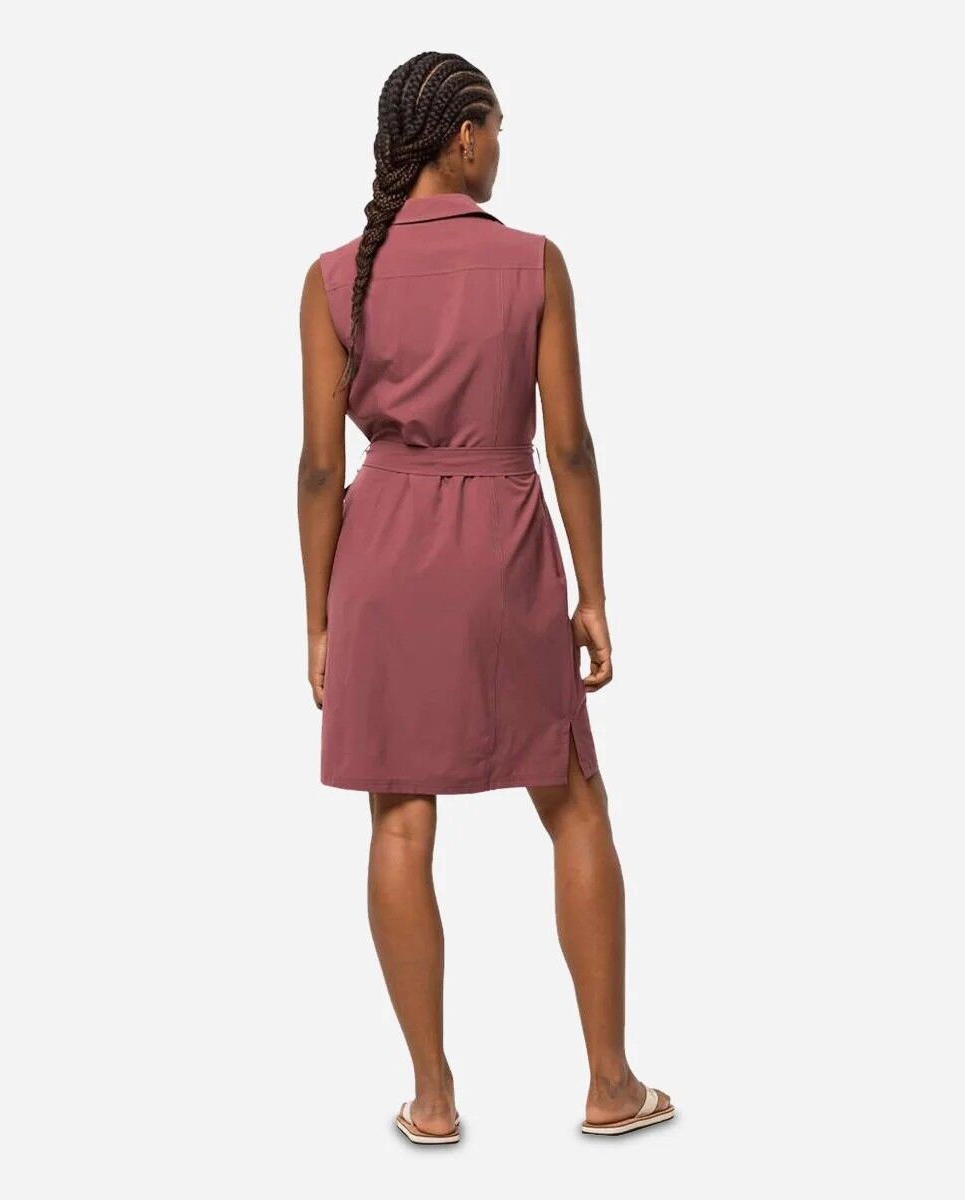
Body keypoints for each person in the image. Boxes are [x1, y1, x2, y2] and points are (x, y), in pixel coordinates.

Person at [297, 51, 672, 1143]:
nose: (500, 148)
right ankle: (609, 1084)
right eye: (497, 129)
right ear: (464, 137)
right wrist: (593, 592)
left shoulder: (335, 277)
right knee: (575, 802)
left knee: (400, 818)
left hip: (383, 557)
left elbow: (319, 468)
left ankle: (432, 1095)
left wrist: (317, 615)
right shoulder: (533, 263)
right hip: (503, 543)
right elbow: (572, 443)